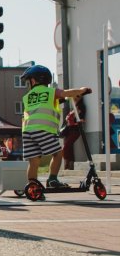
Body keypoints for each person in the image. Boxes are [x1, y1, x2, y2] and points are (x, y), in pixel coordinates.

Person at [20, 65, 89, 194]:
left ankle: (32, 187)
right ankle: (52, 179)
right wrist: (81, 90)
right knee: (57, 154)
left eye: (29, 81)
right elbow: (66, 93)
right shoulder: (51, 92)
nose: (28, 84)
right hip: (43, 130)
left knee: (33, 161)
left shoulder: (27, 97)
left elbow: (42, 104)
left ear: (34, 81)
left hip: (27, 131)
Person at [62, 94, 87, 170]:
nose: (75, 98)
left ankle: (67, 163)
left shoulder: (81, 106)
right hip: (70, 129)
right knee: (69, 147)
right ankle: (70, 164)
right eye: (75, 96)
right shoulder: (74, 106)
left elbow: (82, 120)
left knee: (66, 146)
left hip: (76, 130)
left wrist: (74, 121)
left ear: (81, 98)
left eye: (77, 96)